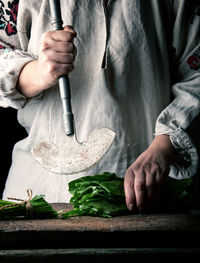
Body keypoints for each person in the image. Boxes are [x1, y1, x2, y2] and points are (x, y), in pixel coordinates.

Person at [0, 0, 200, 212]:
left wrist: (164, 146)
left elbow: (196, 75)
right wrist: (37, 72)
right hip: (36, 197)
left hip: (146, 196)